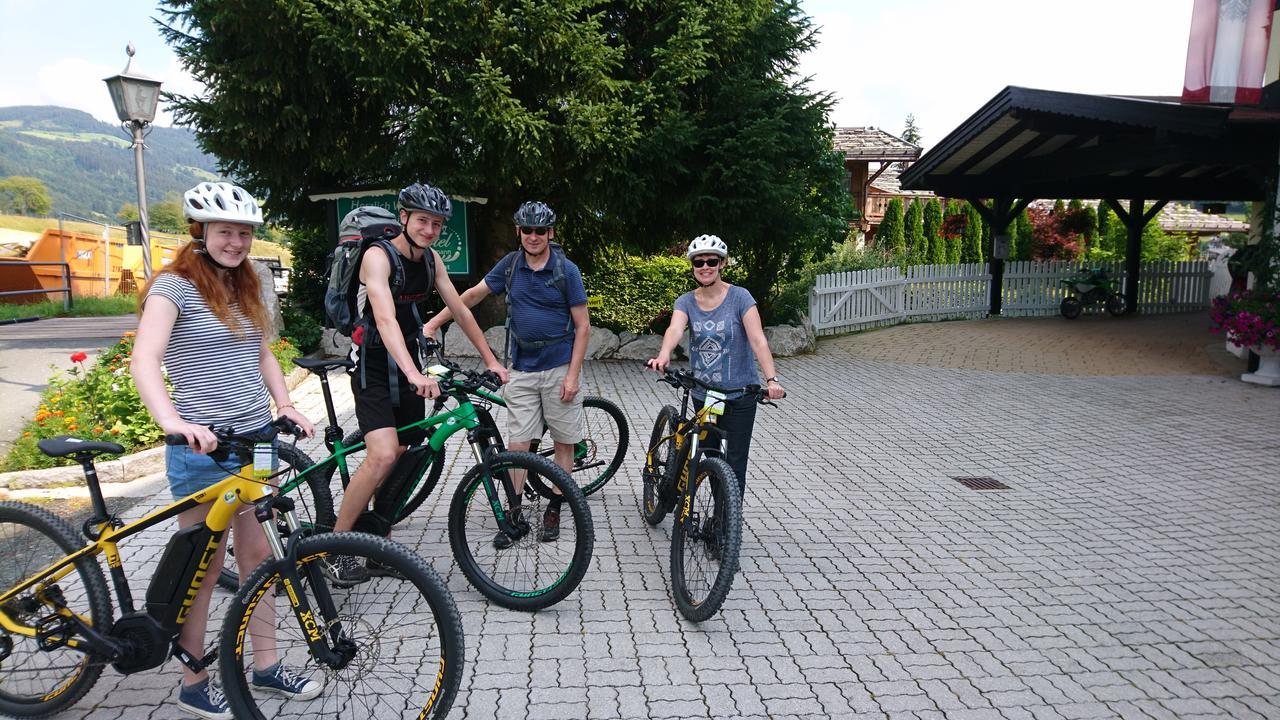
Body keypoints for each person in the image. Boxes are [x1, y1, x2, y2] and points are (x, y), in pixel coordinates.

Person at [132, 182, 322, 720]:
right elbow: (144, 359)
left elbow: (261, 350)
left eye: (243, 232)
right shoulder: (174, 287)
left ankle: (266, 666)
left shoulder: (245, 286)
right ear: (201, 231)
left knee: (260, 559)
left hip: (257, 441)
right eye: (225, 232)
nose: (235, 241)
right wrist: (172, 420)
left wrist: (284, 403)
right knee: (205, 569)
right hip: (204, 449)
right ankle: (193, 680)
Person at [332, 182, 506, 582]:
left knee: (406, 449)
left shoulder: (430, 261)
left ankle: (377, 540)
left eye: (437, 224)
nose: (430, 230)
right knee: (382, 454)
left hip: (409, 364)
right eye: (423, 221)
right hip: (373, 365)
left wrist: (491, 360)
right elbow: (385, 318)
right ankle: (336, 548)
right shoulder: (378, 256)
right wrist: (412, 373)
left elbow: (460, 310)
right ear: (404, 218)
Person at [424, 200, 589, 548]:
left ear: (551, 233)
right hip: (522, 368)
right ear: (518, 232)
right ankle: (514, 514)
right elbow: (471, 296)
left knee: (564, 441)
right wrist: (436, 322)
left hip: (559, 366)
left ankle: (556, 506)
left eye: (540, 231)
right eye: (527, 230)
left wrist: (573, 376)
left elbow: (583, 326)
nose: (533, 236)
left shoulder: (566, 270)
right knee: (518, 444)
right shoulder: (510, 265)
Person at [645, 234, 786, 498]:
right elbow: (675, 328)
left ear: (722, 263)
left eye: (711, 261)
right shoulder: (685, 301)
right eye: (699, 262)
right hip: (707, 394)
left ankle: (725, 526)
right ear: (693, 267)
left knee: (734, 463)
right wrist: (664, 355)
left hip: (742, 394)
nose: (705, 267)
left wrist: (771, 380)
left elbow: (758, 340)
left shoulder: (740, 298)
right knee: (708, 455)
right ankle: (718, 512)